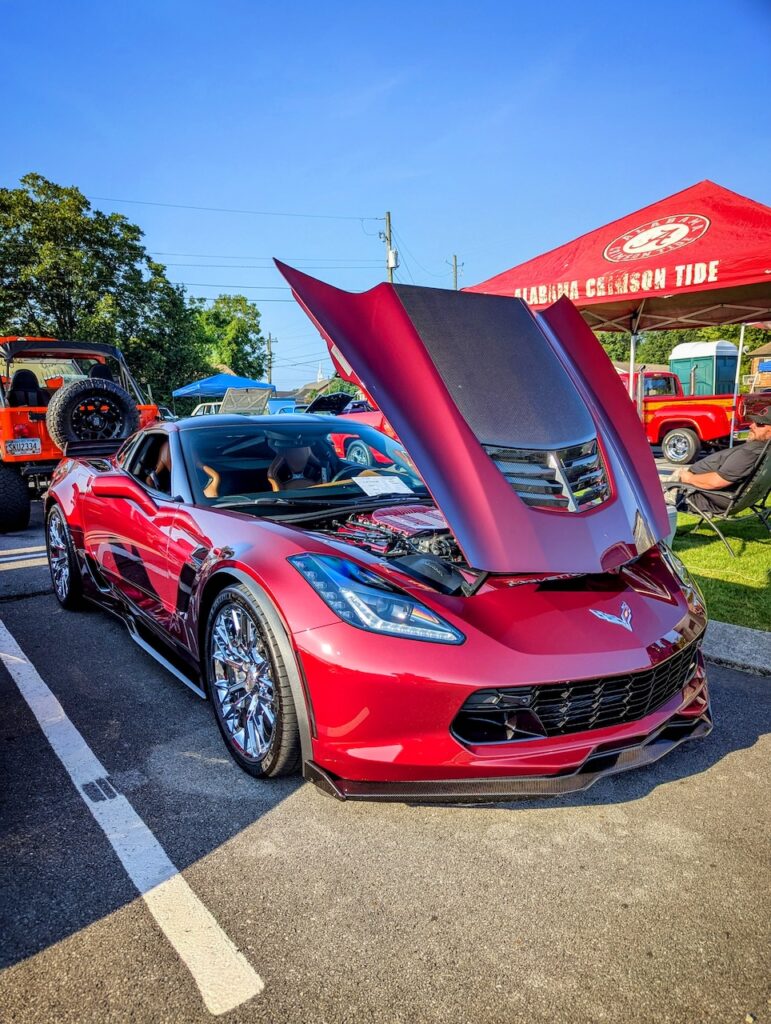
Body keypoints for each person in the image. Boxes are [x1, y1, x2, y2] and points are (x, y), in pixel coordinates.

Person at [665, 406, 771, 513]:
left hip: (693, 494)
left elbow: (716, 482)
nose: (751, 425)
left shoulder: (749, 454)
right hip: (703, 489)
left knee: (650, 495)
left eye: (760, 424)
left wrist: (689, 478)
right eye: (754, 422)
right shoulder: (764, 449)